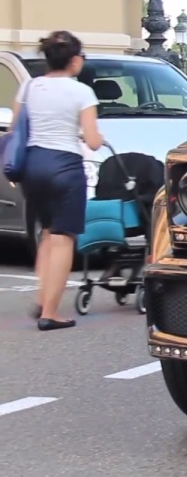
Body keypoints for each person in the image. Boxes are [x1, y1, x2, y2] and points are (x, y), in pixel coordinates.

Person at [13, 31, 103, 331]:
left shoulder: (29, 87)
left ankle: (42, 297)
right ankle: (51, 312)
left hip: (33, 166)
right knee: (64, 238)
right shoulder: (81, 92)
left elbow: (16, 128)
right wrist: (94, 136)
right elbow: (91, 141)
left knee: (48, 234)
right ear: (75, 61)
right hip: (64, 167)